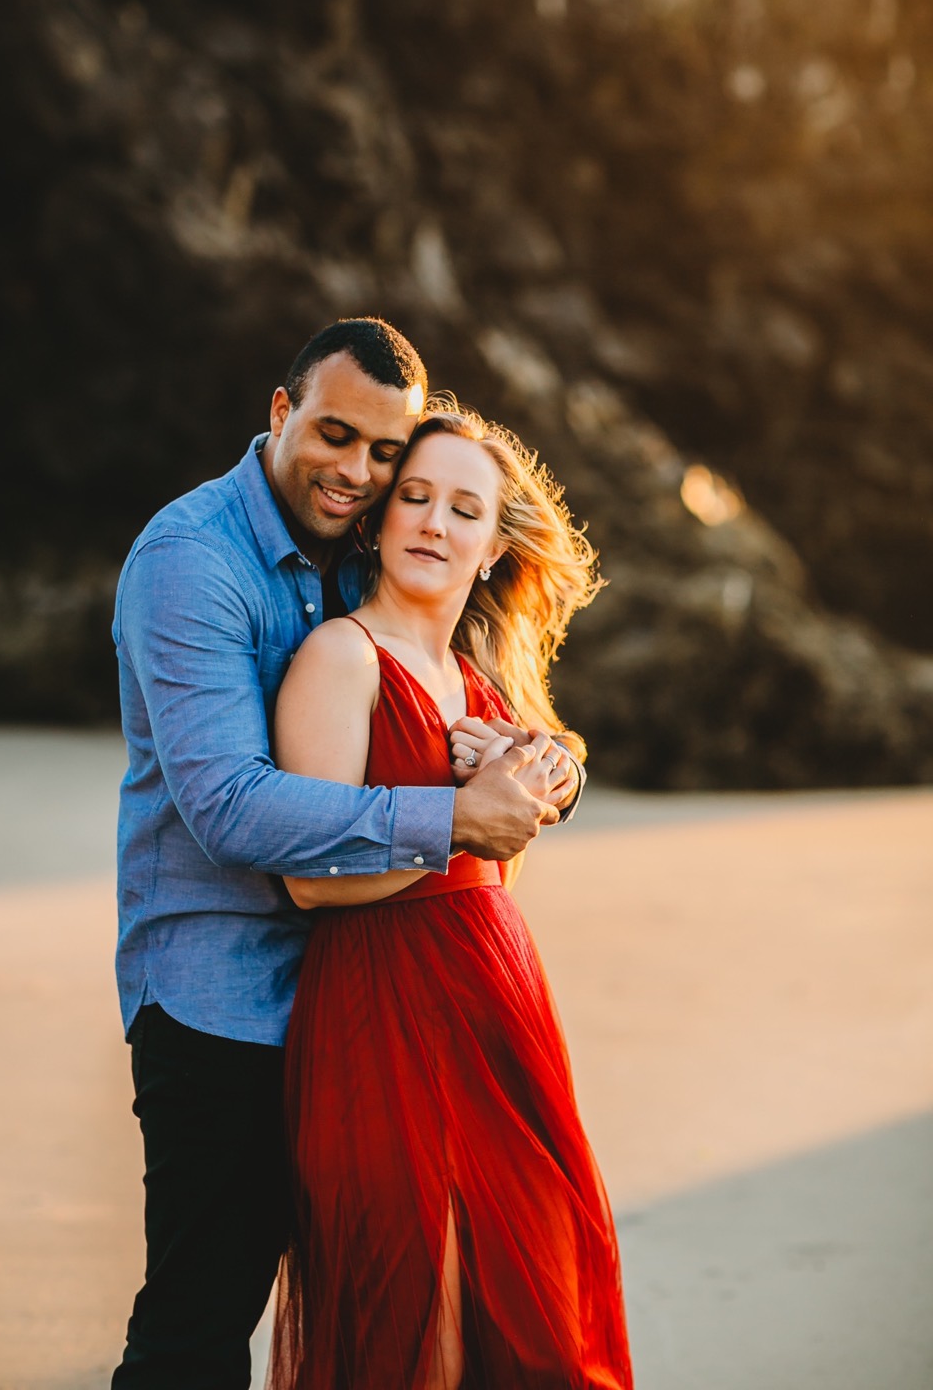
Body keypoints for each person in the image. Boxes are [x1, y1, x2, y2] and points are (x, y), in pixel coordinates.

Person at [110, 319, 581, 1390]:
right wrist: (456, 820)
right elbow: (230, 807)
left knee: (413, 1309)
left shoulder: (353, 553)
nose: (359, 475)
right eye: (335, 437)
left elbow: (486, 712)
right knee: (197, 1322)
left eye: (384, 455)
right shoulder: (193, 562)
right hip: (220, 998)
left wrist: (543, 768)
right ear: (279, 414)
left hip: (372, 1009)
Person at [268, 406, 633, 1389]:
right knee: (411, 1320)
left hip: (499, 1011)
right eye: (415, 498)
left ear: (490, 548)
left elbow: (502, 852)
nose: (432, 522)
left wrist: (538, 766)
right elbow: (309, 877)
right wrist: (464, 810)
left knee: (531, 1316)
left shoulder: (476, 682)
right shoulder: (341, 659)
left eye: (462, 509)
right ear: (378, 521)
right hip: (382, 1010)